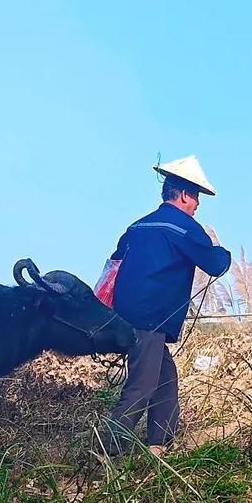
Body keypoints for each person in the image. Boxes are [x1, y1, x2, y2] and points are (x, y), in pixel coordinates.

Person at [103, 156, 231, 456]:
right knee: (141, 386)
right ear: (185, 195)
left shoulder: (137, 226)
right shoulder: (184, 227)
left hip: (123, 317)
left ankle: (158, 447)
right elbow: (213, 264)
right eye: (196, 197)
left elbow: (115, 261)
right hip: (150, 320)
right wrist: (223, 253)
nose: (197, 204)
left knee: (165, 379)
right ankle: (105, 454)